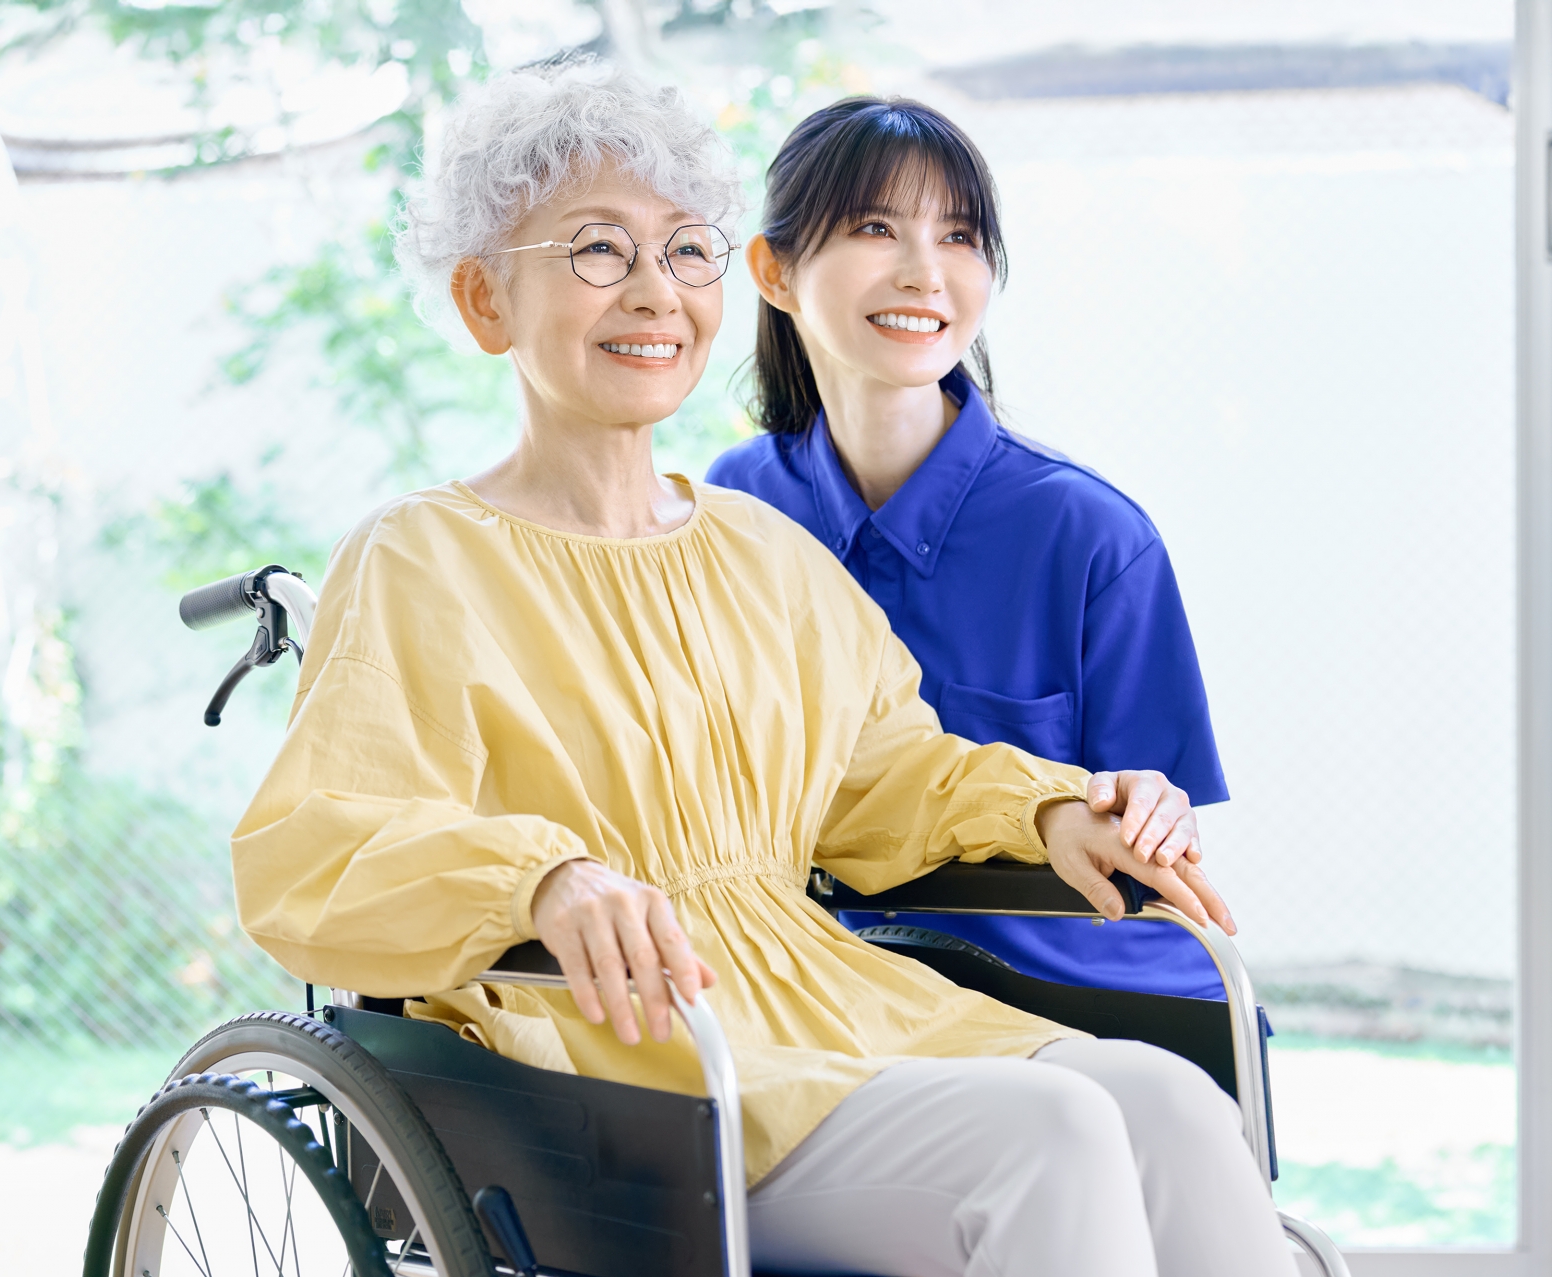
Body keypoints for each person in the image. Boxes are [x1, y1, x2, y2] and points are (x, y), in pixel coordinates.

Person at [232, 62, 1294, 1276]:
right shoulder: (421, 558)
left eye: (687, 253)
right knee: (1049, 1132)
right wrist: (545, 881)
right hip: (624, 1053)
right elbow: (317, 844)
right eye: (596, 252)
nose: (655, 293)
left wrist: (1046, 805)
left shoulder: (761, 549)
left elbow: (884, 778)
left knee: (1171, 1105)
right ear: (485, 301)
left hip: (822, 1000)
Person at [708, 96, 1231, 1000]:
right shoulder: (733, 508)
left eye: (959, 237)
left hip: (1082, 989)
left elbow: (1156, 823)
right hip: (824, 994)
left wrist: (1144, 806)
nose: (926, 273)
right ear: (775, 270)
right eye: (877, 227)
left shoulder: (1091, 534)